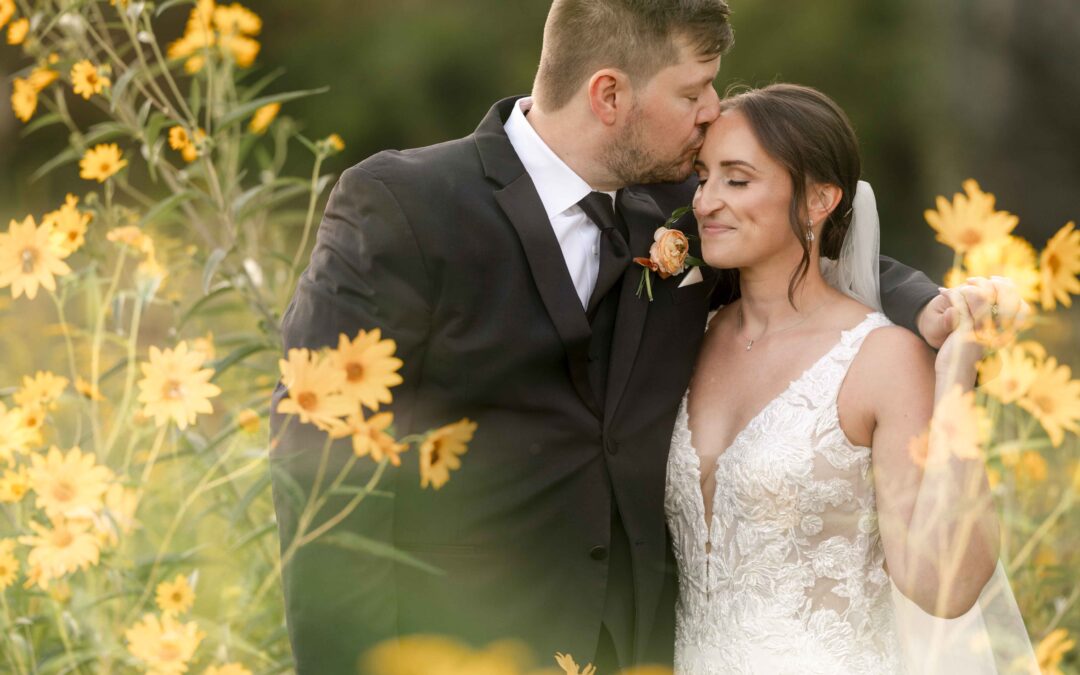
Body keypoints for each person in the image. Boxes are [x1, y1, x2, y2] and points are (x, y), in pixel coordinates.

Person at [270, 2, 983, 672]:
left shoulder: (687, 208)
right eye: (692, 92)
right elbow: (321, 470)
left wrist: (927, 306)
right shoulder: (405, 206)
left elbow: (808, 250)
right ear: (609, 95)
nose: (713, 112)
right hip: (466, 644)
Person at [665, 83, 1033, 673]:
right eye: (703, 177)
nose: (706, 201)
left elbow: (944, 584)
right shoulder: (684, 339)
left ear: (819, 200)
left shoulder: (882, 359)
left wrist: (957, 375)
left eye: (736, 179)